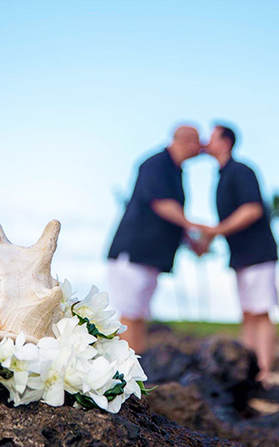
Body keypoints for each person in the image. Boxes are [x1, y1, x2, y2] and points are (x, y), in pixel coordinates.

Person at [107, 125, 204, 353]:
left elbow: (171, 212)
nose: (202, 148)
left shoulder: (175, 170)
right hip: (134, 253)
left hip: (151, 257)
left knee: (138, 315)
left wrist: (190, 240)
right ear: (187, 141)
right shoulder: (156, 164)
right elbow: (161, 203)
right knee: (128, 315)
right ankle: (124, 376)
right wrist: (194, 227)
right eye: (199, 142)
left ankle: (135, 373)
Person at [200, 124, 279, 384]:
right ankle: (246, 368)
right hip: (241, 255)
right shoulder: (222, 176)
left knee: (261, 311)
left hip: (258, 253)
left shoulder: (241, 171)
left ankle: (263, 370)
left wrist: (215, 231)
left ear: (225, 142)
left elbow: (252, 209)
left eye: (211, 137)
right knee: (248, 311)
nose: (205, 142)